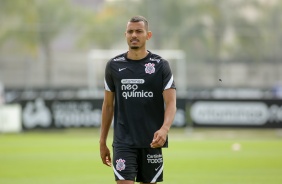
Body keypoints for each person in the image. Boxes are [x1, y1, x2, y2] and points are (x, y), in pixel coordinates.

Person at [99, 15, 176, 184]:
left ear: (148, 35)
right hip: (123, 142)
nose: (134, 35)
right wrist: (102, 141)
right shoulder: (113, 65)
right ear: (125, 35)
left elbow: (171, 103)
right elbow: (108, 106)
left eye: (139, 31)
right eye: (130, 31)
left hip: (152, 142)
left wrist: (164, 129)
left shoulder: (161, 65)